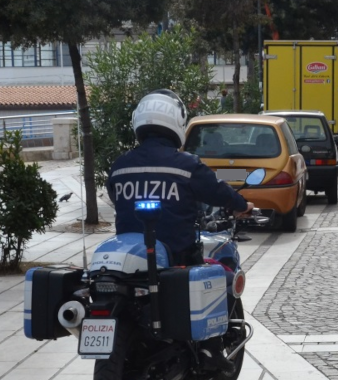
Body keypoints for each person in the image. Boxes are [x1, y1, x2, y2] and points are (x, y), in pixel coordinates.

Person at [107, 89, 253, 372]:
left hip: (126, 263)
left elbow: (116, 198)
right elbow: (218, 192)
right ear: (177, 124)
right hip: (176, 256)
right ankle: (211, 350)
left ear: (139, 123)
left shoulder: (120, 166)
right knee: (218, 275)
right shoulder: (186, 165)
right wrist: (242, 205)